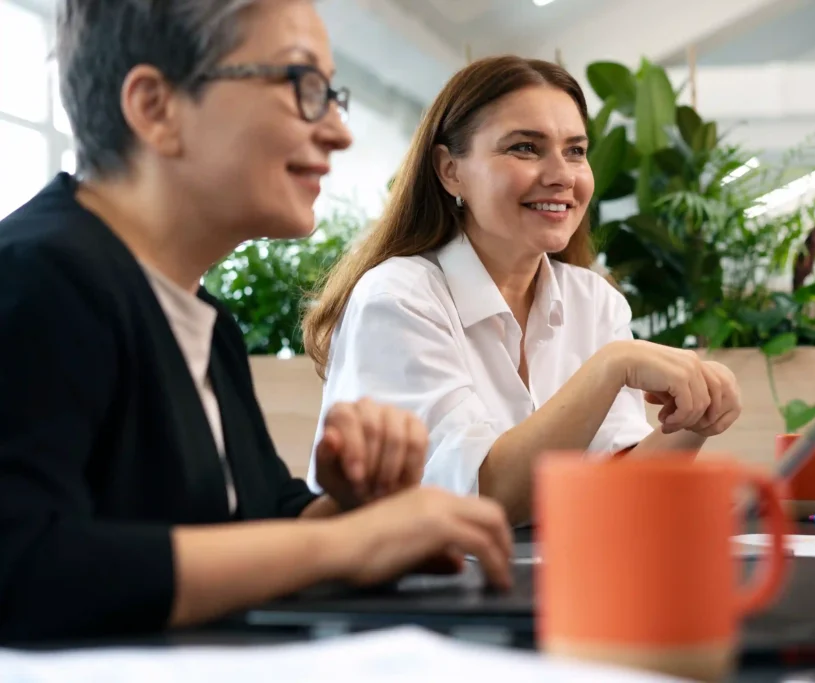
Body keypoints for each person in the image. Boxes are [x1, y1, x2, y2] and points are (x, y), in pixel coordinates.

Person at [0, 0, 513, 645]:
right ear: (156, 108)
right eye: (302, 86)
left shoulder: (206, 321)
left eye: (333, 94)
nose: (339, 132)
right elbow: (23, 566)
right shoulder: (34, 276)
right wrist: (344, 544)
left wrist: (357, 507)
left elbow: (259, 522)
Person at [301, 56, 743, 526]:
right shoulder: (398, 298)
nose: (561, 175)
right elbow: (483, 498)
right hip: (410, 590)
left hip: (540, 583)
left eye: (575, 150)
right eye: (526, 148)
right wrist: (613, 366)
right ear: (451, 171)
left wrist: (696, 421)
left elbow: (616, 492)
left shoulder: (594, 301)